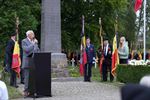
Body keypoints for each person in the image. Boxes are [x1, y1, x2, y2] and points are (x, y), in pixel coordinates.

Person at [22, 30, 39, 97]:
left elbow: (37, 50)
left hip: (35, 62)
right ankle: (26, 91)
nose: (34, 35)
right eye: (33, 34)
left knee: (34, 78)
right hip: (27, 62)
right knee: (27, 78)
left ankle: (33, 91)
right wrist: (33, 44)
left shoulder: (35, 41)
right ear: (29, 35)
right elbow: (26, 50)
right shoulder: (24, 41)